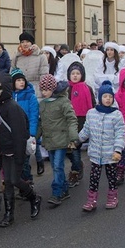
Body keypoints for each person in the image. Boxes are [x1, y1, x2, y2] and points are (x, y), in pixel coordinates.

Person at [0, 72, 41, 227]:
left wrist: (19, 156)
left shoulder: (12, 108)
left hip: (15, 151)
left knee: (15, 180)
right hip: (4, 150)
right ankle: (9, 214)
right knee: (7, 182)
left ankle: (34, 197)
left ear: (0, 91)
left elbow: (19, 134)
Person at [76, 81, 125, 211]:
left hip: (110, 154)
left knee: (111, 176)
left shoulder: (116, 115)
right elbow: (86, 130)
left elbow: (120, 134)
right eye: (105, 96)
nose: (108, 99)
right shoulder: (92, 113)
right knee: (94, 177)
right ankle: (91, 200)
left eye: (110, 97)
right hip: (96, 153)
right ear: (100, 98)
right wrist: (77, 140)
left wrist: (118, 150)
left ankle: (112, 197)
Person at [37, 74, 78, 207]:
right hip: (49, 141)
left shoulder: (63, 102)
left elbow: (71, 119)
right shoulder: (42, 104)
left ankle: (57, 193)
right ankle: (65, 189)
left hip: (61, 140)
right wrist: (34, 137)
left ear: (53, 89)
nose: (44, 93)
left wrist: (73, 137)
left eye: (46, 90)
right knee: (55, 166)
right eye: (42, 90)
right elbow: (40, 123)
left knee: (57, 166)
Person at [12, 68, 42, 184]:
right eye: (18, 80)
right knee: (17, 161)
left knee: (24, 160)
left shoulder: (30, 96)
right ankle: (22, 182)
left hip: (26, 133)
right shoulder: (10, 96)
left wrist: (32, 134)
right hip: (14, 134)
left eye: (22, 80)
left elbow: (34, 116)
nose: (21, 82)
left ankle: (28, 182)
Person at [66, 62, 93, 187]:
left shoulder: (87, 88)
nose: (75, 76)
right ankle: (77, 167)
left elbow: (92, 104)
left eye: (78, 73)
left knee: (75, 147)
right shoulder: (66, 88)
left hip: (83, 121)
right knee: (70, 149)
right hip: (69, 121)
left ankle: (76, 170)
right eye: (73, 73)